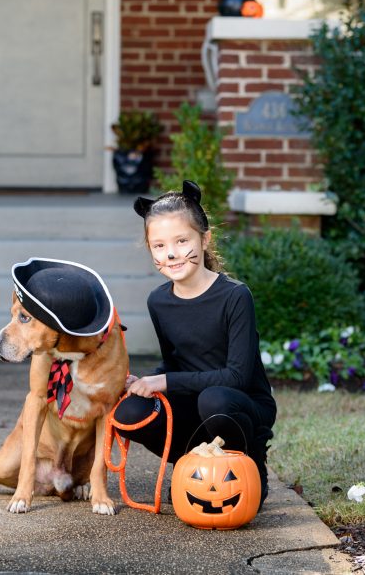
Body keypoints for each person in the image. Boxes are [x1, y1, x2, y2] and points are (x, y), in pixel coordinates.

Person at [113, 180, 277, 508]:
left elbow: (238, 377)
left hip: (238, 404)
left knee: (214, 399)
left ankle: (248, 464)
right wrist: (144, 383)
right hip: (192, 403)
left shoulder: (235, 296)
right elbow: (175, 365)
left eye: (181, 241)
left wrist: (166, 380)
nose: (170, 253)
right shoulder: (158, 301)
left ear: (204, 239)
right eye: (158, 246)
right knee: (130, 412)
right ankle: (194, 465)